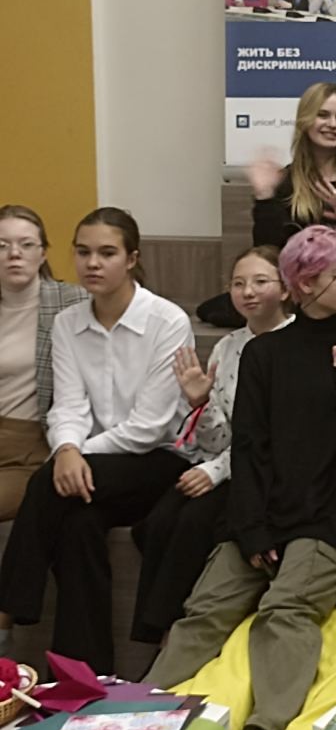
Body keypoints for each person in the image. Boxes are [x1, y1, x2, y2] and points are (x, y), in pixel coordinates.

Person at [149, 226, 336, 730]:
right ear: (303, 283)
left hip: (329, 516)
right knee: (205, 608)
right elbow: (250, 446)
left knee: (287, 609)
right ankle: (145, 706)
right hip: (264, 511)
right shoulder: (264, 353)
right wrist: (252, 527)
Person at [0, 208, 193, 671]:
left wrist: (72, 455)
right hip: (96, 468)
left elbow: (150, 426)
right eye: (83, 252)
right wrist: (67, 447)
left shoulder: (167, 320)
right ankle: (82, 675)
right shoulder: (68, 323)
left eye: (107, 253)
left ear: (132, 259)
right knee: (77, 527)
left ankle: (5, 613)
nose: (92, 263)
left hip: (159, 460)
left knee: (47, 483)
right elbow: (67, 405)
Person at [130, 247, 290, 645]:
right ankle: (155, 633)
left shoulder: (296, 345)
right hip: (226, 462)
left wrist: (216, 471)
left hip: (267, 474)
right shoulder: (228, 347)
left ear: (286, 289)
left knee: (194, 523)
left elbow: (276, 437)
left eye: (260, 282)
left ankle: (169, 634)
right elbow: (217, 437)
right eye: (238, 283)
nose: (247, 292)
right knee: (155, 522)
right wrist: (200, 403)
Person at [248, 81, 336, 319]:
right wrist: (264, 198)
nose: (332, 124)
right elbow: (269, 252)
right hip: (307, 291)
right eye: (323, 115)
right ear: (306, 120)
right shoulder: (287, 181)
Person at [0, 205, 87, 527]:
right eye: (2, 245)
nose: (14, 254)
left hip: (30, 448)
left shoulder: (74, 303)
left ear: (43, 253)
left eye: (26, 244)